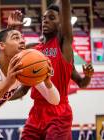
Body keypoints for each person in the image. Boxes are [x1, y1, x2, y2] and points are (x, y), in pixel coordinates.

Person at [7, 1, 94, 140]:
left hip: (59, 112)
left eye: (51, 18)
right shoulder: (33, 50)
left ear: (61, 24)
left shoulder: (63, 45)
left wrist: (88, 76)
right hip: (36, 113)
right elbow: (23, 90)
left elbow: (82, 83)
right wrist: (0, 97)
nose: (46, 20)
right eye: (44, 18)